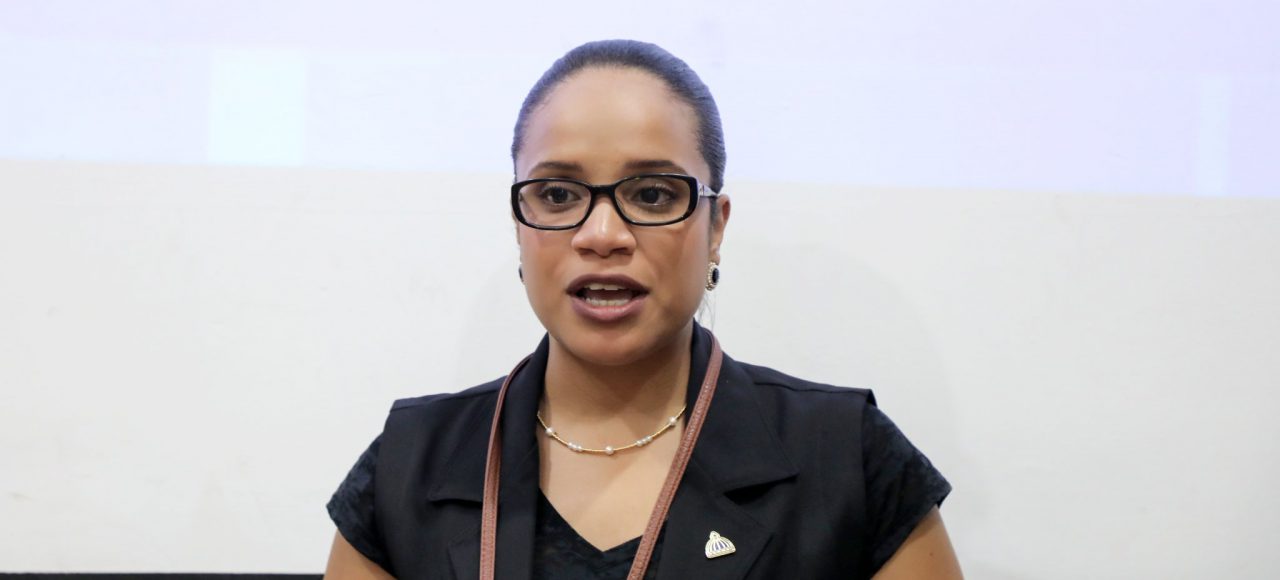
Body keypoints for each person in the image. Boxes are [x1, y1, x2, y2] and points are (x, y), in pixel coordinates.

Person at [324, 39, 961, 579]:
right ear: (519, 223)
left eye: (653, 194)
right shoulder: (409, 467)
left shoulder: (846, 460)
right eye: (557, 194)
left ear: (716, 227)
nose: (602, 235)